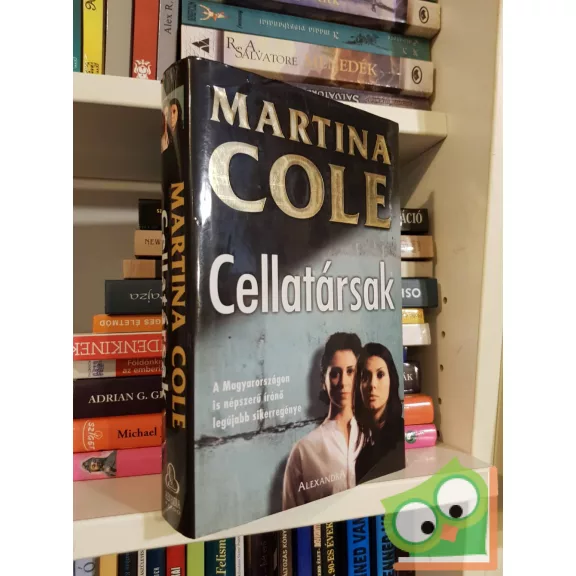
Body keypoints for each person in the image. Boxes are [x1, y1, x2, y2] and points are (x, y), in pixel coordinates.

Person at [282, 332, 363, 510]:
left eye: (351, 371)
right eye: (335, 373)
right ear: (323, 380)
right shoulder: (303, 451)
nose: (343, 382)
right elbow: (291, 516)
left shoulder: (373, 436)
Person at [354, 343, 404, 482]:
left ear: (391, 380)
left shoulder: (399, 438)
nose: (372, 385)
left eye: (380, 375)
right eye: (365, 376)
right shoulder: (360, 442)